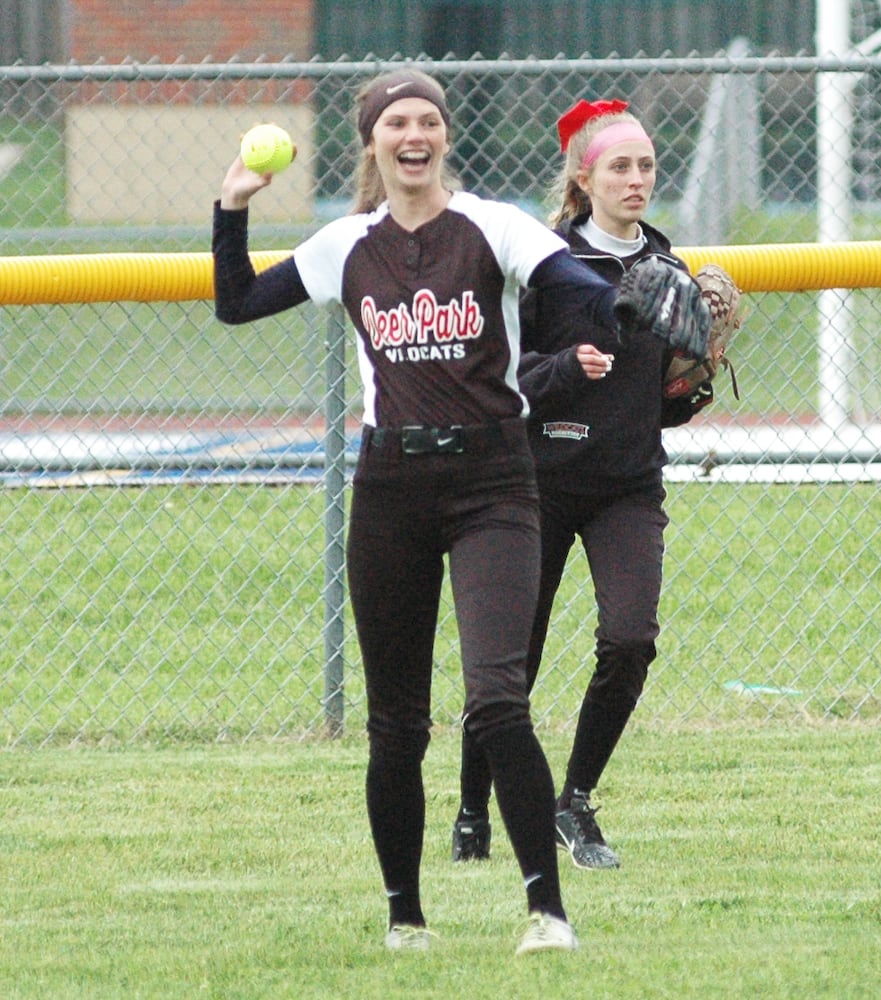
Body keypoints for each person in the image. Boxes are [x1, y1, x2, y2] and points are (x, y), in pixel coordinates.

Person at [212, 72, 708, 953]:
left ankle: (547, 914)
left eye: (428, 121)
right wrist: (232, 208)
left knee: (496, 698)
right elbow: (238, 303)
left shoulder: (493, 225)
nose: (414, 133)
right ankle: (405, 918)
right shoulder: (346, 244)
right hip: (391, 486)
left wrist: (625, 303)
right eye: (396, 122)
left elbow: (569, 285)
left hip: (493, 481)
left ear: (445, 137)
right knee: (395, 722)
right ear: (372, 142)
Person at [452, 98, 713, 870]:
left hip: (626, 486)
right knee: (510, 663)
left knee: (630, 639)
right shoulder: (542, 266)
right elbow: (491, 381)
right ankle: (473, 809)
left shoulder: (665, 268)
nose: (636, 180)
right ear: (583, 176)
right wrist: (567, 370)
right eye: (619, 167)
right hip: (532, 482)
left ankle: (575, 802)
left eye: (646, 167)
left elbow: (658, 409)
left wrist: (687, 390)